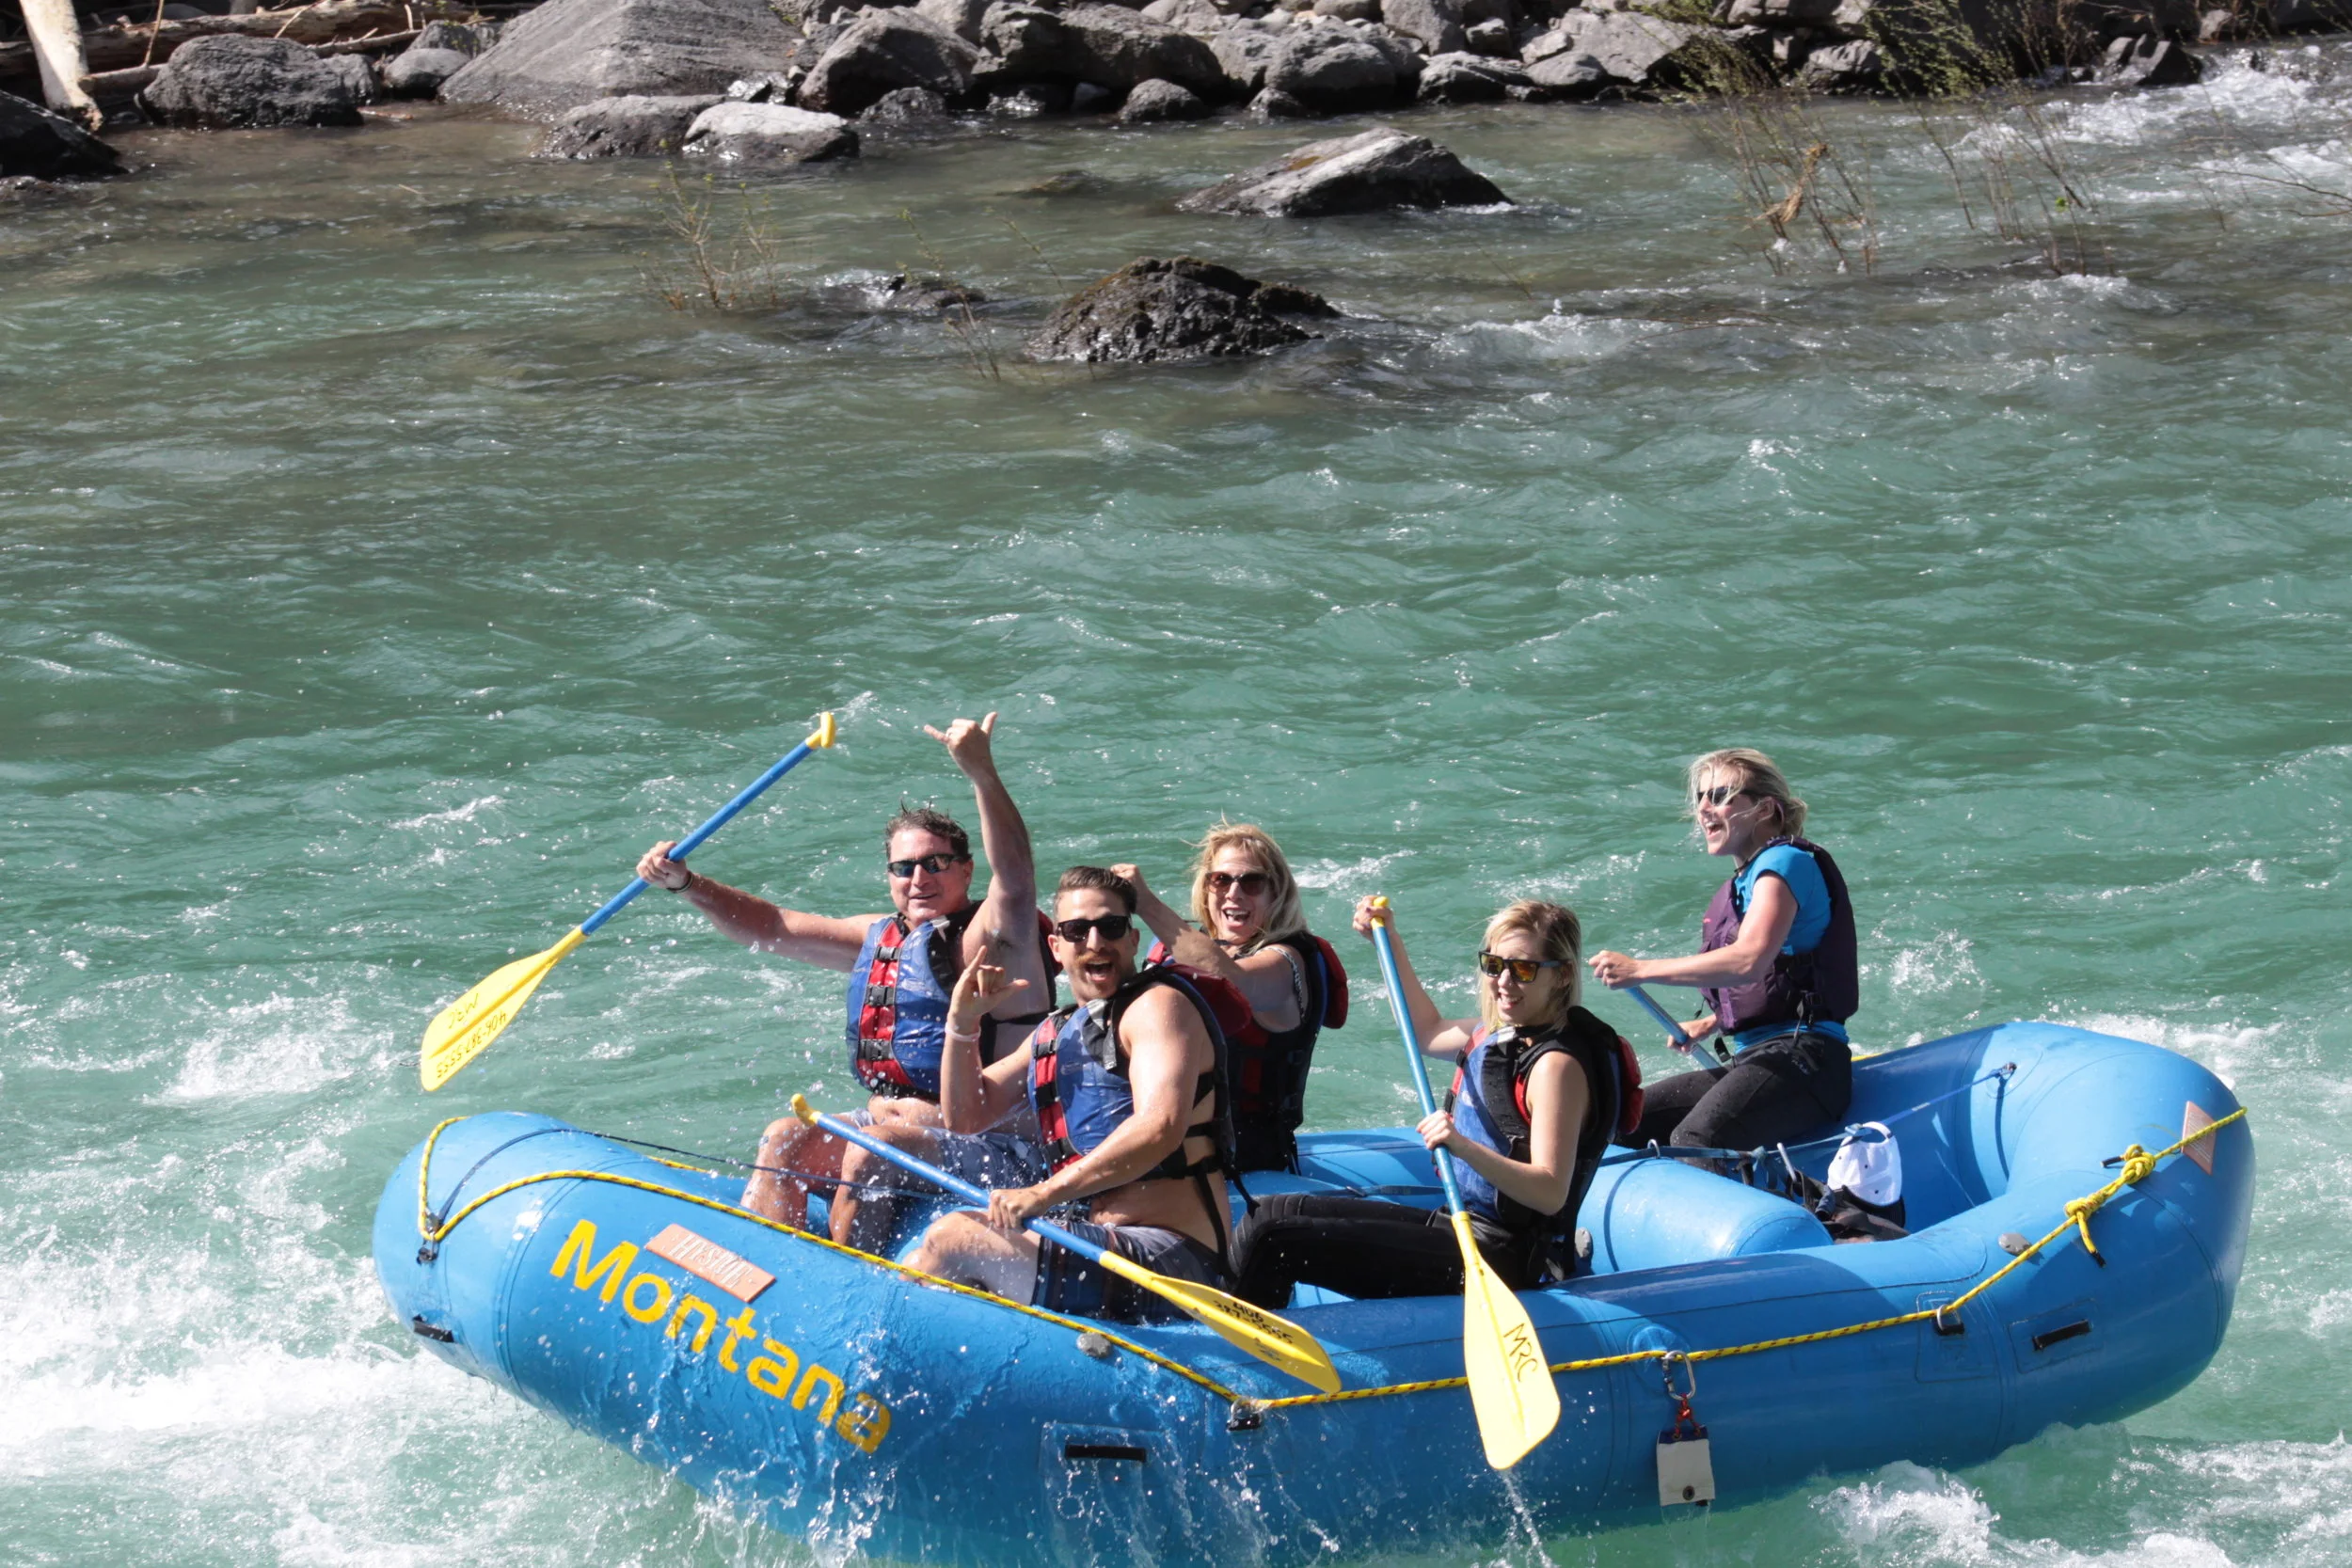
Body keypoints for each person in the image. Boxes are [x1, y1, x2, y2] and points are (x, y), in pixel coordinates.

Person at [632, 713, 1055, 1230]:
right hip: (889, 1127)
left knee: (871, 1153)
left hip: (999, 1146)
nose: (919, 878)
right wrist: (686, 883)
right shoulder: (881, 936)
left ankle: (856, 1270)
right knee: (784, 1138)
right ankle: (770, 1262)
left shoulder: (996, 939)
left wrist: (981, 773)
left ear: (967, 869)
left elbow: (1015, 879)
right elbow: (773, 926)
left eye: (936, 863)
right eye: (903, 868)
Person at [1227, 897, 1634, 1309]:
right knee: (1269, 1212)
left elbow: (1549, 1193)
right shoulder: (1502, 1035)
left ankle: (1236, 1346)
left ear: (1562, 975)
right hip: (1459, 1224)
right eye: (1495, 965)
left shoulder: (1555, 1067)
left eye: (1523, 969)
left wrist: (1461, 1145)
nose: (1504, 982)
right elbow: (1426, 1031)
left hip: (1501, 1256)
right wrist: (1388, 941)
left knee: (1274, 1239)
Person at [893, 866, 1237, 1323]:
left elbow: (1160, 1127)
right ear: (1056, 947)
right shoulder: (1056, 1031)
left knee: (953, 1238)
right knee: (927, 1257)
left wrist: (1042, 1193)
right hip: (1097, 1241)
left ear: (1133, 940)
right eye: (1077, 931)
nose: (1095, 942)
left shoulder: (1157, 1007)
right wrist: (962, 1023)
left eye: (1110, 927)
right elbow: (966, 1117)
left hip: (1174, 1263)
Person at [1585, 747, 1857, 1159]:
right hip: (1754, 1058)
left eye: (1720, 796)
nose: (1703, 809)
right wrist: (1713, 1021)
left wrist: (1640, 970)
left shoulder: (1786, 863)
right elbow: (1778, 973)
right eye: (1700, 798)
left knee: (1697, 1139)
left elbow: (1749, 960)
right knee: (1621, 1125)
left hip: (1807, 1059)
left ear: (1766, 808)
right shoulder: (1744, 882)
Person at [1113, 822, 1348, 1174]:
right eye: (1221, 880)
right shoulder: (1170, 952)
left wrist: (1145, 903)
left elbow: (1233, 982)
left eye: (1251, 882)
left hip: (1247, 1162)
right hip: (1164, 1149)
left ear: (1276, 894)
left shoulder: (1286, 962)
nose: (1234, 894)